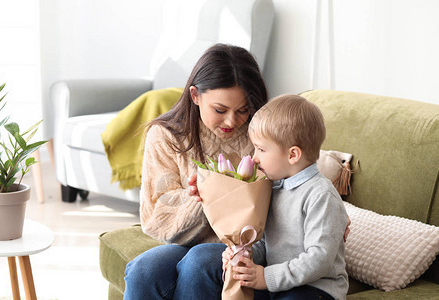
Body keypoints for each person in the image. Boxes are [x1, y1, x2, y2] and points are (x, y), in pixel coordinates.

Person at [123, 43, 269, 300]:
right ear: (195, 95)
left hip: (243, 243)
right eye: (220, 110)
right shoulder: (166, 136)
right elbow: (156, 218)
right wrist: (203, 197)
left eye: (243, 110)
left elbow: (298, 161)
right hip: (183, 242)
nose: (232, 122)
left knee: (198, 263)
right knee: (143, 271)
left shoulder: (261, 132)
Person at [222, 94, 349, 299]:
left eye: (261, 149)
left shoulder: (321, 195)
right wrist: (244, 256)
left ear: (292, 155)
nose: (254, 158)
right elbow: (266, 243)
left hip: (316, 289)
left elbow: (319, 259)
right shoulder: (273, 187)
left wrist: (266, 277)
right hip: (277, 282)